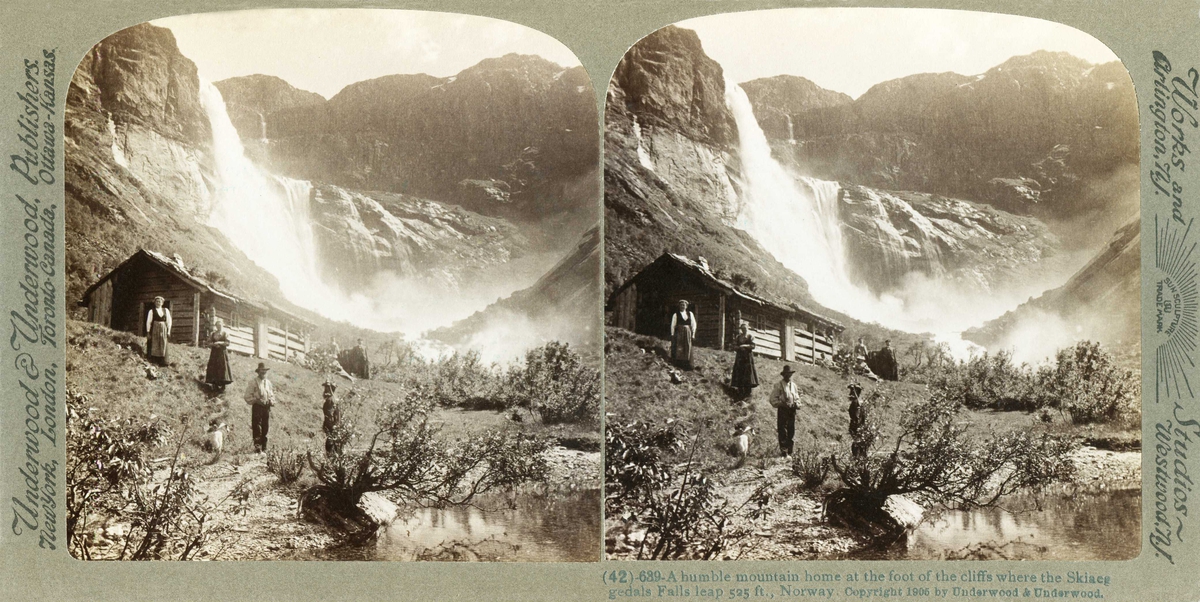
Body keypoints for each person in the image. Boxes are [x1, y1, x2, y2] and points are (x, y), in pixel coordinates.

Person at [770, 365, 801, 457]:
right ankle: (784, 451)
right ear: (783, 375)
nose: (788, 376)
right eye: (787, 374)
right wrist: (782, 404)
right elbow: (772, 399)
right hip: (783, 410)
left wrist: (797, 404)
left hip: (792, 411)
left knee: (791, 430)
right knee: (783, 430)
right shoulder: (779, 385)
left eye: (790, 374)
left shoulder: (794, 386)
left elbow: (797, 398)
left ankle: (790, 451)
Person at [244, 362, 275, 453]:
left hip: (266, 407)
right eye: (262, 371)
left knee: (266, 426)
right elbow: (247, 396)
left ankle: (264, 447)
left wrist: (271, 401)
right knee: (257, 427)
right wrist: (257, 400)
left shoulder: (268, 383)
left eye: (265, 371)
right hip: (257, 407)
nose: (264, 372)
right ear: (258, 372)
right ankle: (257, 447)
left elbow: (272, 395)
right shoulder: (253, 382)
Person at [730, 321, 758, 400]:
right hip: (740, 357)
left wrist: (745, 345)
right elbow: (734, 346)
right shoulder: (738, 337)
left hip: (747, 358)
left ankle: (748, 392)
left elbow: (753, 346)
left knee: (748, 373)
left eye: (745, 328)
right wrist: (737, 347)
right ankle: (740, 391)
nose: (744, 330)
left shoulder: (750, 336)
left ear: (748, 328)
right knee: (740, 372)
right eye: (742, 328)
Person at [205, 318, 234, 393]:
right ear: (216, 326)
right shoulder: (213, 334)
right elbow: (208, 343)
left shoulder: (225, 333)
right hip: (214, 353)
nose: (219, 326)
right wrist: (213, 344)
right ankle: (215, 384)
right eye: (217, 325)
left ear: (222, 325)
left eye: (220, 325)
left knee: (222, 367)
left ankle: (223, 385)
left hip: (222, 353)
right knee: (214, 366)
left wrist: (219, 343)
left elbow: (228, 343)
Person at [669, 300, 697, 370]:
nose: (682, 306)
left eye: (684, 305)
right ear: (679, 306)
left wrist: (693, 334)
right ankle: (679, 364)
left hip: (687, 333)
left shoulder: (690, 314)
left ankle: (687, 365)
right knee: (679, 347)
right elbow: (673, 325)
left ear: (686, 306)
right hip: (679, 333)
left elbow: (694, 325)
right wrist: (672, 334)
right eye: (681, 305)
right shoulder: (676, 314)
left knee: (687, 347)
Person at [145, 296, 172, 365]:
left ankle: (163, 361)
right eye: (156, 301)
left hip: (163, 329)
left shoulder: (166, 310)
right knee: (154, 343)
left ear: (162, 303)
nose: (158, 303)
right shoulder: (151, 311)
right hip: (154, 329)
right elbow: (148, 322)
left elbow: (169, 321)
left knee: (163, 343)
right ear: (154, 303)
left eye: (159, 301)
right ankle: (154, 360)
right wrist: (148, 331)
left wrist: (168, 331)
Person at [847, 380, 868, 459]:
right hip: (856, 427)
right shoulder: (857, 403)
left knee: (858, 445)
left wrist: (858, 425)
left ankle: (859, 459)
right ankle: (859, 458)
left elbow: (858, 417)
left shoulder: (859, 404)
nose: (850, 394)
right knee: (858, 445)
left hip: (858, 427)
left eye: (853, 392)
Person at [322, 380, 342, 457]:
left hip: (332, 426)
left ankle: (331, 459)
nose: (325, 390)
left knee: (331, 444)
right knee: (333, 444)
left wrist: (331, 425)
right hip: (333, 425)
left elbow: (330, 415)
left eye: (327, 388)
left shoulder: (330, 400)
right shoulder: (333, 399)